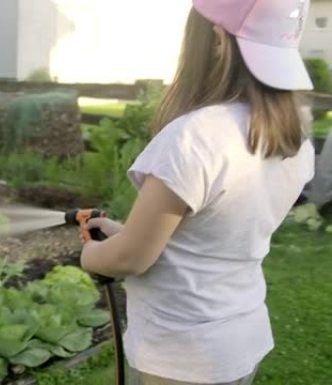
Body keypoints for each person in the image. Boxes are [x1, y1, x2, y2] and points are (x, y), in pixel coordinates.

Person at [79, 1, 315, 384]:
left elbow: (130, 260)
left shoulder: (196, 137)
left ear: (217, 40)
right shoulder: (293, 140)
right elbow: (205, 242)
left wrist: (92, 255)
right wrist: (128, 232)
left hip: (181, 356)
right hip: (239, 338)